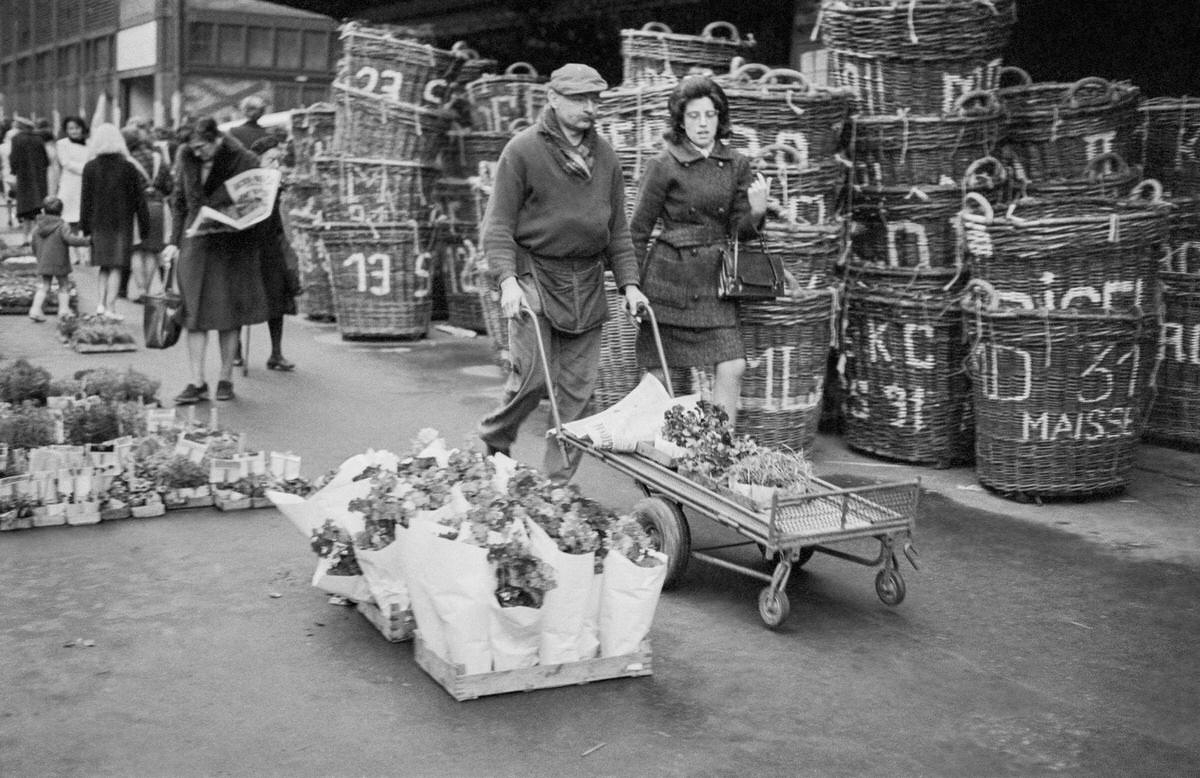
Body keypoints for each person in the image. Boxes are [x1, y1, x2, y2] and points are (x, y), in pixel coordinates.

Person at [477, 62, 649, 481]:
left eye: (594, 99)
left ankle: (555, 487)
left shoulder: (606, 157)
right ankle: (496, 437)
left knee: (576, 396)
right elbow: (497, 225)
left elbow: (618, 231)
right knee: (532, 377)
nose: (589, 107)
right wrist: (507, 281)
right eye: (579, 99)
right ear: (553, 99)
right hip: (534, 277)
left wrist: (630, 286)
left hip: (587, 283)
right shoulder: (522, 150)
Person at [628, 76, 769, 430]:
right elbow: (638, 230)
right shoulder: (663, 164)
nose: (703, 124)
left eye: (710, 114)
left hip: (715, 285)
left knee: (732, 365)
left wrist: (757, 211)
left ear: (721, 118)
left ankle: (718, 455)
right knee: (663, 378)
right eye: (694, 116)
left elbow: (740, 233)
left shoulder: (737, 164)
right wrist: (630, 286)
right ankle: (659, 462)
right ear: (680, 120)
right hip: (669, 282)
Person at [163, 117, 270, 404]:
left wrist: (237, 218)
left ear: (216, 139)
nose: (198, 153)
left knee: (228, 313)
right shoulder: (186, 157)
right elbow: (179, 202)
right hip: (195, 241)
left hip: (232, 245)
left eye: (202, 147)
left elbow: (257, 201)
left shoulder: (244, 159)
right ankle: (196, 381)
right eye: (193, 148)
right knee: (193, 314)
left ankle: (225, 379)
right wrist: (173, 242)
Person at [78, 123, 150, 320]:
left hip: (98, 223)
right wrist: (144, 226)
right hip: (122, 223)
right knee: (117, 266)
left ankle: (101, 304)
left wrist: (85, 227)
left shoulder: (90, 167)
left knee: (103, 265)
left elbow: (86, 200)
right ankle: (111, 307)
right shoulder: (128, 167)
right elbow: (139, 200)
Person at [249, 133, 301, 371]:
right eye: (271, 160)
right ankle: (238, 351)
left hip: (271, 246)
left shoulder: (277, 185)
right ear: (257, 160)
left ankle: (276, 352)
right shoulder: (249, 185)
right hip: (250, 247)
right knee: (243, 298)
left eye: (278, 160)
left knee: (277, 299)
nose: (277, 165)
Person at [124, 127, 173, 303]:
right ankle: (149, 287)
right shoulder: (159, 158)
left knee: (136, 250)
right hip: (158, 206)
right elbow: (169, 186)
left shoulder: (128, 161)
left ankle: (141, 289)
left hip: (137, 207)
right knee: (152, 250)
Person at [28, 196, 90, 322]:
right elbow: (70, 240)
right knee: (64, 285)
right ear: (61, 212)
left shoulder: (37, 227)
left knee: (45, 285)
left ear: (43, 211)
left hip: (44, 261)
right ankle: (63, 310)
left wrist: (38, 256)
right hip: (60, 261)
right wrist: (86, 241)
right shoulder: (62, 225)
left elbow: (33, 243)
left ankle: (35, 309)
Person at [54, 116, 92, 266]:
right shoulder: (62, 144)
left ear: (82, 128)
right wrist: (87, 169)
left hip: (86, 185)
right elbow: (66, 163)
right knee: (69, 220)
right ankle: (73, 254)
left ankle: (86, 253)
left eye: (77, 128)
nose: (74, 131)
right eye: (71, 128)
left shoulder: (90, 143)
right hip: (70, 186)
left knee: (85, 219)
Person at [8, 117, 50, 241]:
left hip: (24, 180)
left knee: (25, 211)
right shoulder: (39, 139)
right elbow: (46, 160)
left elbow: (13, 159)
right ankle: (37, 237)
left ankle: (25, 238)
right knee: (38, 210)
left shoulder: (16, 139)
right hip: (39, 179)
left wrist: (14, 171)